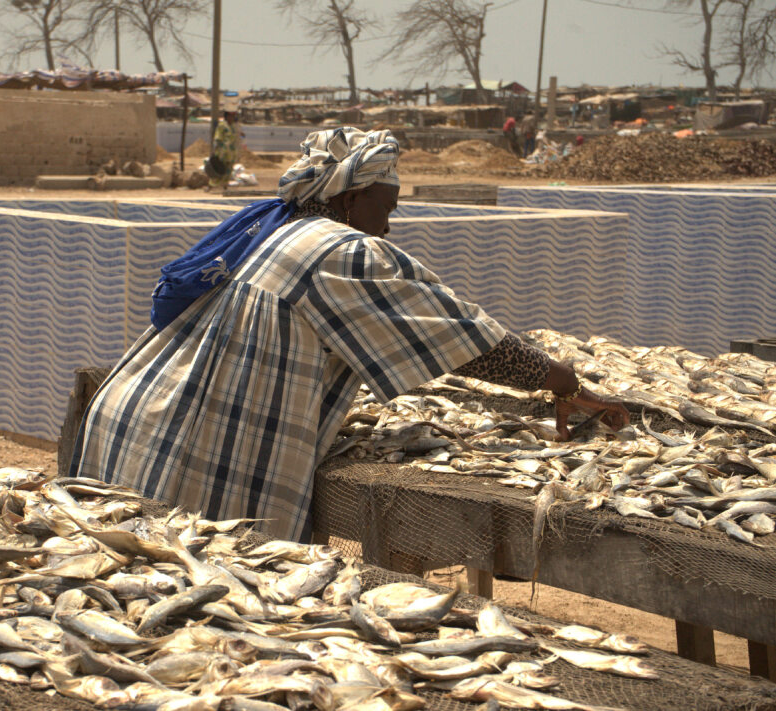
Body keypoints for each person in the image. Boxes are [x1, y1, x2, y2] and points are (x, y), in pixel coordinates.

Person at [70, 127, 628, 542]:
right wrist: (562, 379)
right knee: (212, 582)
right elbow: (462, 338)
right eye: (384, 207)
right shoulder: (344, 252)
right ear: (347, 200)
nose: (388, 224)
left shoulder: (275, 229)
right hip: (195, 450)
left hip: (136, 420)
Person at [205, 104, 242, 189]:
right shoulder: (222, 126)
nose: (232, 118)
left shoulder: (233, 127)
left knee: (228, 171)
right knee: (219, 170)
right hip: (223, 152)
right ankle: (211, 186)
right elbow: (218, 138)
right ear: (227, 116)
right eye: (231, 116)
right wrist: (215, 150)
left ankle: (225, 186)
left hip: (232, 153)